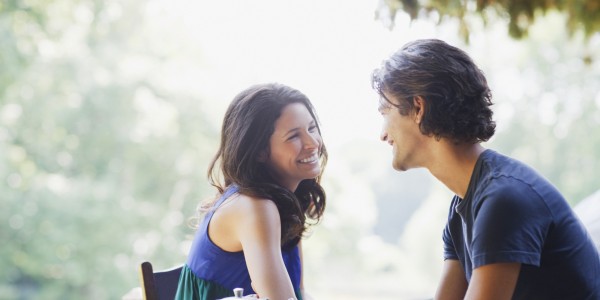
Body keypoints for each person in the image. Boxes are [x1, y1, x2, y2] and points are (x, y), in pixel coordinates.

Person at [371, 39, 600, 299]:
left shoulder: (504, 199)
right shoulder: (462, 209)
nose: (383, 134)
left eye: (385, 111)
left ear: (418, 108)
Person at [175, 83, 327, 300]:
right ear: (259, 152)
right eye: (294, 136)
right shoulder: (255, 208)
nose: (313, 143)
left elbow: (298, 292)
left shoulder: (284, 203)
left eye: (312, 129)